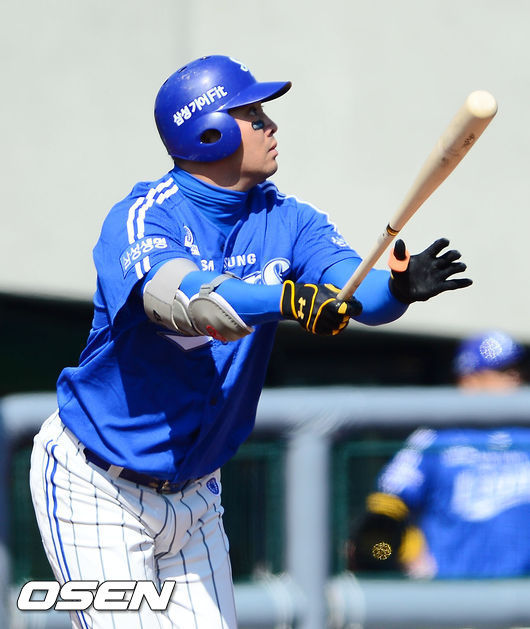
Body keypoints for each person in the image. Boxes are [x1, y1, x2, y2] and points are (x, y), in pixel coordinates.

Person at [29, 54, 471, 628]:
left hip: (195, 493)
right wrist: (287, 300)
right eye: (254, 115)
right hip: (99, 482)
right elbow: (189, 303)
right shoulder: (142, 217)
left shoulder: (289, 218)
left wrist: (395, 289)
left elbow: (350, 290)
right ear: (207, 130)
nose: (271, 125)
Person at [349, 330, 530, 579]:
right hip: (454, 594)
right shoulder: (437, 437)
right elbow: (381, 521)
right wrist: (405, 551)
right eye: (502, 371)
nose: (515, 377)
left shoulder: (526, 433)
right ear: (469, 380)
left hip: (522, 593)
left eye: (517, 369)